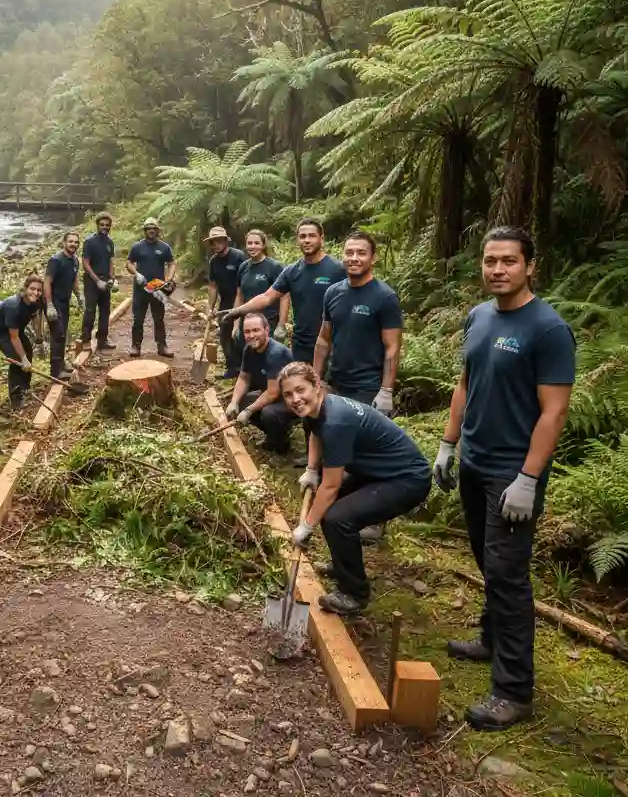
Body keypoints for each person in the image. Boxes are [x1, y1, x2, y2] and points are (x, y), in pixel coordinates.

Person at [434, 227, 574, 731]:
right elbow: (465, 383)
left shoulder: (548, 330)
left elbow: (554, 412)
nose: (498, 269)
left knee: (508, 574)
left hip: (512, 472)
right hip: (474, 461)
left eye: (509, 261)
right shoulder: (478, 316)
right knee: (486, 559)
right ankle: (491, 639)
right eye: (490, 260)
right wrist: (448, 444)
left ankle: (513, 690)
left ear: (530, 266)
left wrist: (529, 478)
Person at [281, 362, 430, 615]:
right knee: (330, 509)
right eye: (288, 394)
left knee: (337, 517)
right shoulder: (318, 408)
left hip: (406, 479)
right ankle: (344, 565)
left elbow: (330, 486)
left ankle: (353, 594)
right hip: (378, 471)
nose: (295, 399)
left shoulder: (336, 422)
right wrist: (311, 469)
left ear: (316, 386)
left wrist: (306, 527)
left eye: (300, 390)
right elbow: (315, 432)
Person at [218, 218, 344, 365]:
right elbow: (267, 297)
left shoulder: (338, 269)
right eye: (302, 236)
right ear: (297, 240)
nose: (307, 240)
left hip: (331, 344)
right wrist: (237, 311)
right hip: (301, 344)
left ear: (321, 239)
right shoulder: (292, 271)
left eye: (312, 236)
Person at [313, 230, 403, 412]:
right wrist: (315, 378)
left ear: (373, 258)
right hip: (334, 382)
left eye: (361, 253)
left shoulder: (385, 297)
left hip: (367, 387)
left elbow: (392, 348)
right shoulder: (332, 292)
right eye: (349, 253)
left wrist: (386, 391)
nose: (354, 258)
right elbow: (323, 339)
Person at [224, 313, 296, 455]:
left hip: (292, 399)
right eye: (247, 332)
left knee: (269, 414)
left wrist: (248, 411)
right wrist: (234, 402)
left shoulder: (275, 353)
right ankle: (273, 435)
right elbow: (244, 377)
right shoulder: (249, 349)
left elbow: (273, 392)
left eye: (256, 330)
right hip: (273, 395)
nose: (251, 335)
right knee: (242, 401)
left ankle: (281, 445)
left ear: (266, 330)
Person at [0, 274, 46, 407]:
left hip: (17, 328)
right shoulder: (13, 306)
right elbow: (14, 337)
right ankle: (16, 398)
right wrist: (23, 359)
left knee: (28, 351)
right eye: (32, 289)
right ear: (25, 288)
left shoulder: (37, 301)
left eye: (39, 290)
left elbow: (37, 315)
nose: (36, 293)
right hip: (1, 331)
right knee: (17, 358)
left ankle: (25, 387)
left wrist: (38, 333)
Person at [126, 216, 176, 358]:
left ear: (158, 230)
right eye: (148, 229)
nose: (151, 231)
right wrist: (136, 273)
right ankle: (136, 346)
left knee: (159, 318)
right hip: (140, 288)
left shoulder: (164, 247)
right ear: (145, 230)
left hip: (158, 288)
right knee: (138, 319)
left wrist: (169, 279)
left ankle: (162, 346)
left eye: (154, 228)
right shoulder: (137, 247)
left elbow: (172, 263)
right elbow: (129, 263)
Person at [234, 229, 288, 349]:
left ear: (263, 245)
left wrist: (281, 325)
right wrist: (236, 325)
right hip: (247, 323)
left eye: (256, 243)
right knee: (248, 356)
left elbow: (284, 296)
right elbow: (239, 296)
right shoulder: (243, 267)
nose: (252, 246)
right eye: (249, 243)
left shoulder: (274, 267)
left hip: (268, 323)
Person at [205, 227, 246, 378]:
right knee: (225, 335)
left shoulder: (238, 256)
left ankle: (245, 369)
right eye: (212, 242)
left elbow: (245, 281)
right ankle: (232, 368)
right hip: (225, 303)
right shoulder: (213, 261)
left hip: (243, 302)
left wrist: (239, 307)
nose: (215, 244)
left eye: (218, 241)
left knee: (240, 335)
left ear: (225, 241)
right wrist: (210, 307)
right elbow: (213, 285)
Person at [44, 231, 82, 380]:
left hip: (65, 301)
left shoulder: (75, 260)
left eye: (76, 242)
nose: (73, 244)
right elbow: (47, 282)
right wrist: (49, 304)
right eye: (70, 241)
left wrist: (79, 295)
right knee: (58, 335)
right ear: (64, 243)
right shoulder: (56, 260)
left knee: (63, 334)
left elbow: (74, 279)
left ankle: (61, 363)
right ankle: (55, 372)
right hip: (54, 301)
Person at [81, 211, 118, 352]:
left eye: (107, 225)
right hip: (92, 281)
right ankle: (86, 340)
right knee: (90, 311)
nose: (104, 227)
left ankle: (102, 340)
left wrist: (112, 278)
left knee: (105, 311)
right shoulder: (90, 242)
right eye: (102, 225)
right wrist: (97, 280)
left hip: (105, 280)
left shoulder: (109, 243)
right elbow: (85, 263)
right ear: (97, 225)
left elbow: (110, 261)